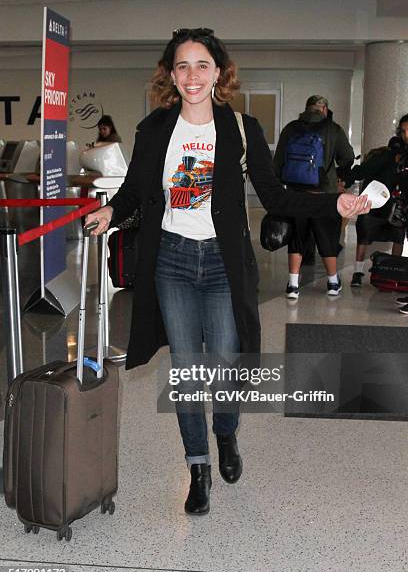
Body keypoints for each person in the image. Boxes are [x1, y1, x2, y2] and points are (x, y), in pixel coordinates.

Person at [85, 28, 370, 516]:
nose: (192, 76)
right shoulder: (155, 129)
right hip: (171, 259)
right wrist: (111, 211)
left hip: (221, 262)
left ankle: (226, 434)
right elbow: (134, 191)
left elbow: (275, 193)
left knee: (224, 364)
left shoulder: (241, 128)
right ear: (171, 75)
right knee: (187, 371)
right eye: (182, 67)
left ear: (219, 72)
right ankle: (198, 467)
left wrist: (333, 203)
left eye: (201, 66)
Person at [273, 95, 355, 299]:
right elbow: (348, 157)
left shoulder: (291, 128)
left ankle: (292, 285)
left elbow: (278, 162)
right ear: (324, 109)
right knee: (327, 237)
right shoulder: (333, 129)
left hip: (295, 194)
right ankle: (333, 283)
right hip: (324, 195)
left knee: (297, 238)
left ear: (306, 108)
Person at [339, 113, 408, 287]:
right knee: (395, 237)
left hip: (381, 206)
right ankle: (392, 272)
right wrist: (346, 181)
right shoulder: (386, 157)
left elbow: (362, 171)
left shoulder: (383, 156)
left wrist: (346, 181)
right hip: (387, 207)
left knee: (366, 237)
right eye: (403, 132)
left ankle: (364, 272)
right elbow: (362, 171)